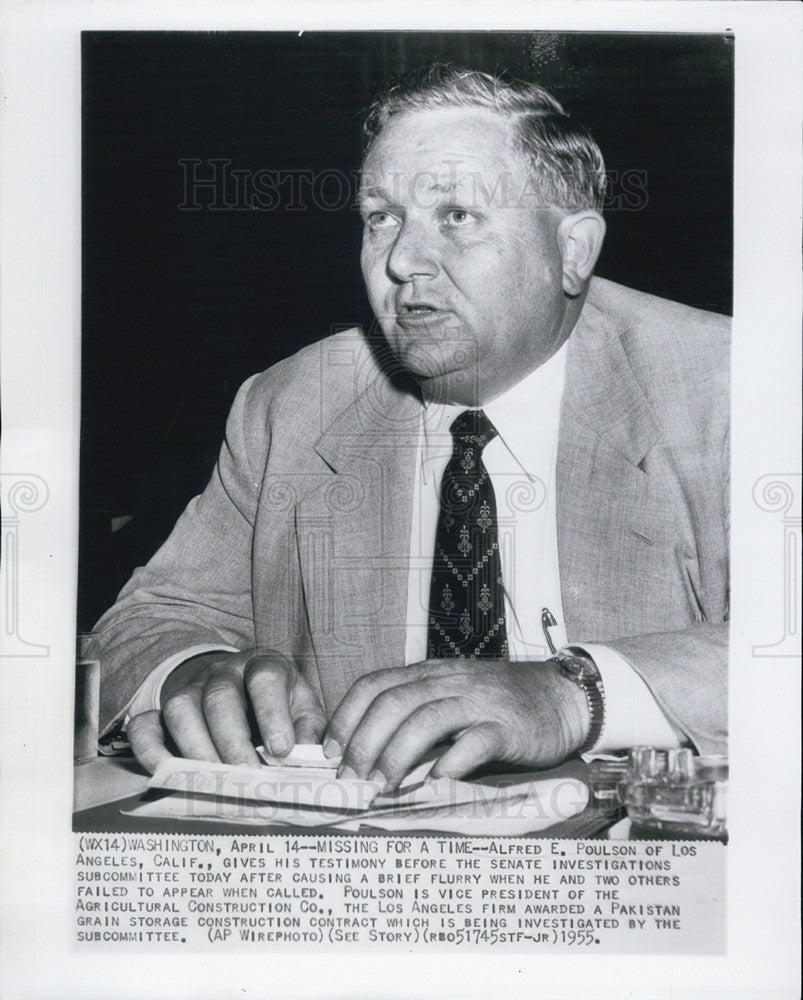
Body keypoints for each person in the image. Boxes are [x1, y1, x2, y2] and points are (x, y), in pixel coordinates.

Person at [92, 65, 729, 790]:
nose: (399, 262)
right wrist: (198, 674)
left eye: (456, 216)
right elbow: (150, 616)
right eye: (381, 217)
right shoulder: (290, 404)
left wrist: (571, 692)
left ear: (572, 251)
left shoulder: (727, 389)